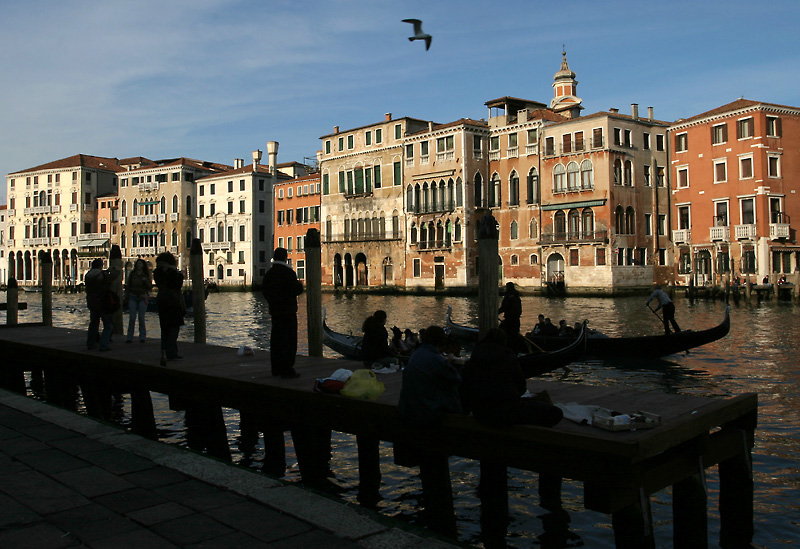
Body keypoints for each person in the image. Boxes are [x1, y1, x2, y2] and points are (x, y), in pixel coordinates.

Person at [461, 328, 563, 427]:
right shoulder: (509, 358)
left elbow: (465, 390)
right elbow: (521, 388)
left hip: (480, 413)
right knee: (555, 412)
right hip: (507, 411)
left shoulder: (472, 362)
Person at [397, 326, 462, 427]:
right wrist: (449, 364)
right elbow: (456, 379)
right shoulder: (435, 359)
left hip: (410, 407)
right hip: (426, 410)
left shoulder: (416, 354)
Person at [261, 247, 303, 379]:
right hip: (288, 312)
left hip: (275, 312)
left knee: (276, 341)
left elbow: (265, 291)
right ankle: (287, 369)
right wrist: (300, 286)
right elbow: (295, 290)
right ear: (285, 257)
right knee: (289, 341)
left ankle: (276, 368)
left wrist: (273, 301)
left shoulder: (269, 274)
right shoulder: (289, 273)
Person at [154, 252, 185, 361]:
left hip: (162, 301)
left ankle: (166, 352)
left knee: (165, 328)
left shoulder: (157, 272)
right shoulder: (172, 273)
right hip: (173, 302)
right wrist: (177, 273)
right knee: (174, 328)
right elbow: (176, 285)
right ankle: (171, 352)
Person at [85, 258, 120, 351]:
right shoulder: (101, 275)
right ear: (101, 266)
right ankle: (103, 345)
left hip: (91, 302)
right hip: (103, 302)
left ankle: (90, 343)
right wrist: (117, 270)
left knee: (93, 323)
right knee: (108, 324)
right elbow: (111, 277)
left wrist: (107, 271)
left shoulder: (88, 275)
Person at [125, 258, 152, 343]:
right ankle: (129, 337)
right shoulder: (132, 274)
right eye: (138, 263)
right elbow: (128, 285)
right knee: (132, 318)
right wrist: (126, 295)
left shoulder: (146, 275)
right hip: (133, 296)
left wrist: (145, 281)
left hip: (142, 297)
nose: (139, 265)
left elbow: (149, 287)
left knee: (141, 318)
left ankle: (142, 337)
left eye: (140, 264)